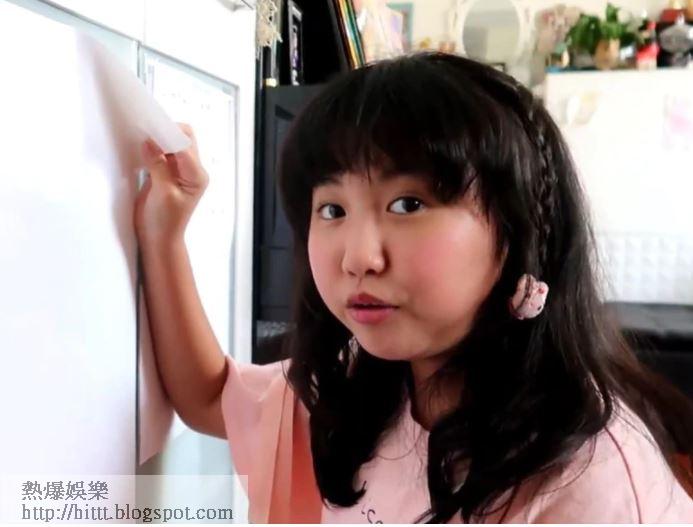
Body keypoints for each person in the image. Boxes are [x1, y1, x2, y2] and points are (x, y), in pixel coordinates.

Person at [134, 52, 693, 523]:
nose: (357, 257)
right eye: (332, 209)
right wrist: (164, 235)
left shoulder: (588, 483)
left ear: (518, 230)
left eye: (407, 204)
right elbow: (210, 398)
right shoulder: (361, 384)